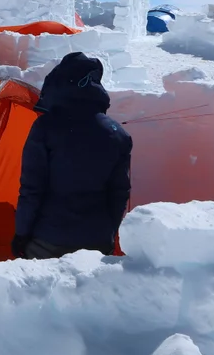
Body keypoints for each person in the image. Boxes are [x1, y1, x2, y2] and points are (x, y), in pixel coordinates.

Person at [12, 52, 132, 260]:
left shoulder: (45, 127)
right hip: (98, 240)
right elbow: (119, 193)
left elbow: (32, 190)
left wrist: (22, 234)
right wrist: (109, 233)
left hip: (49, 238)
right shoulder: (118, 134)